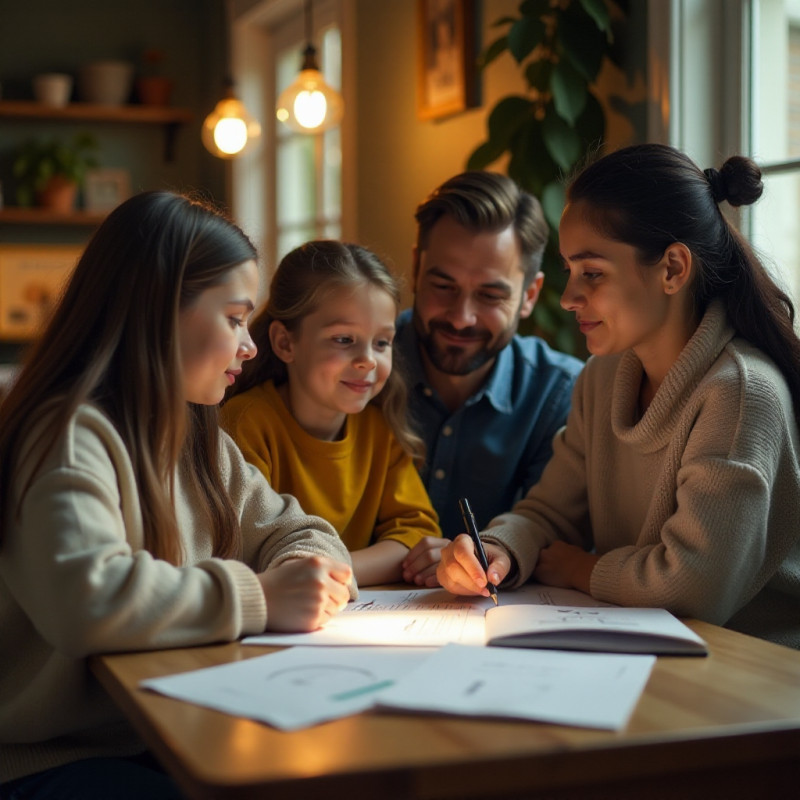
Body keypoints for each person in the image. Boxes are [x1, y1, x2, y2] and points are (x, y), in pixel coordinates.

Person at [0, 192, 355, 798]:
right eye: (236, 319)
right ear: (159, 313)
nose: (250, 347)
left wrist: (303, 573)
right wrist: (263, 597)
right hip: (45, 759)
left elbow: (303, 531)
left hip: (158, 728)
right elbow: (87, 600)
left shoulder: (196, 437)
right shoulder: (65, 434)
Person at [437, 144, 800, 649]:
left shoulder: (739, 394)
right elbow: (549, 512)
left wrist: (583, 570)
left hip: (750, 668)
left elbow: (694, 589)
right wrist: (498, 550)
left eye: (593, 273)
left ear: (673, 268)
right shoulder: (602, 377)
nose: (568, 298)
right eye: (569, 271)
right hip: (647, 650)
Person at [222, 240, 444, 587]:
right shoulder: (246, 424)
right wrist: (366, 565)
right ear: (285, 343)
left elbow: (418, 539)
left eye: (382, 342)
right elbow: (249, 556)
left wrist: (331, 573)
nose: (368, 359)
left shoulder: (378, 429)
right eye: (343, 339)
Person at [395, 171, 584, 537]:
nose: (461, 318)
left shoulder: (560, 393)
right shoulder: (357, 369)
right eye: (443, 285)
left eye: (490, 296)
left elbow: (548, 536)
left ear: (529, 295)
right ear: (417, 269)